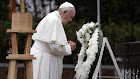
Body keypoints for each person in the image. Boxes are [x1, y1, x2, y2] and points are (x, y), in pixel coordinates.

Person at [30, 2, 76, 79]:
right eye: (70, 17)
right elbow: (55, 47)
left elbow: (52, 41)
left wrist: (64, 44)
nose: (70, 20)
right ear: (64, 12)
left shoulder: (51, 17)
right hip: (45, 59)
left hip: (41, 56)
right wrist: (69, 48)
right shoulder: (55, 20)